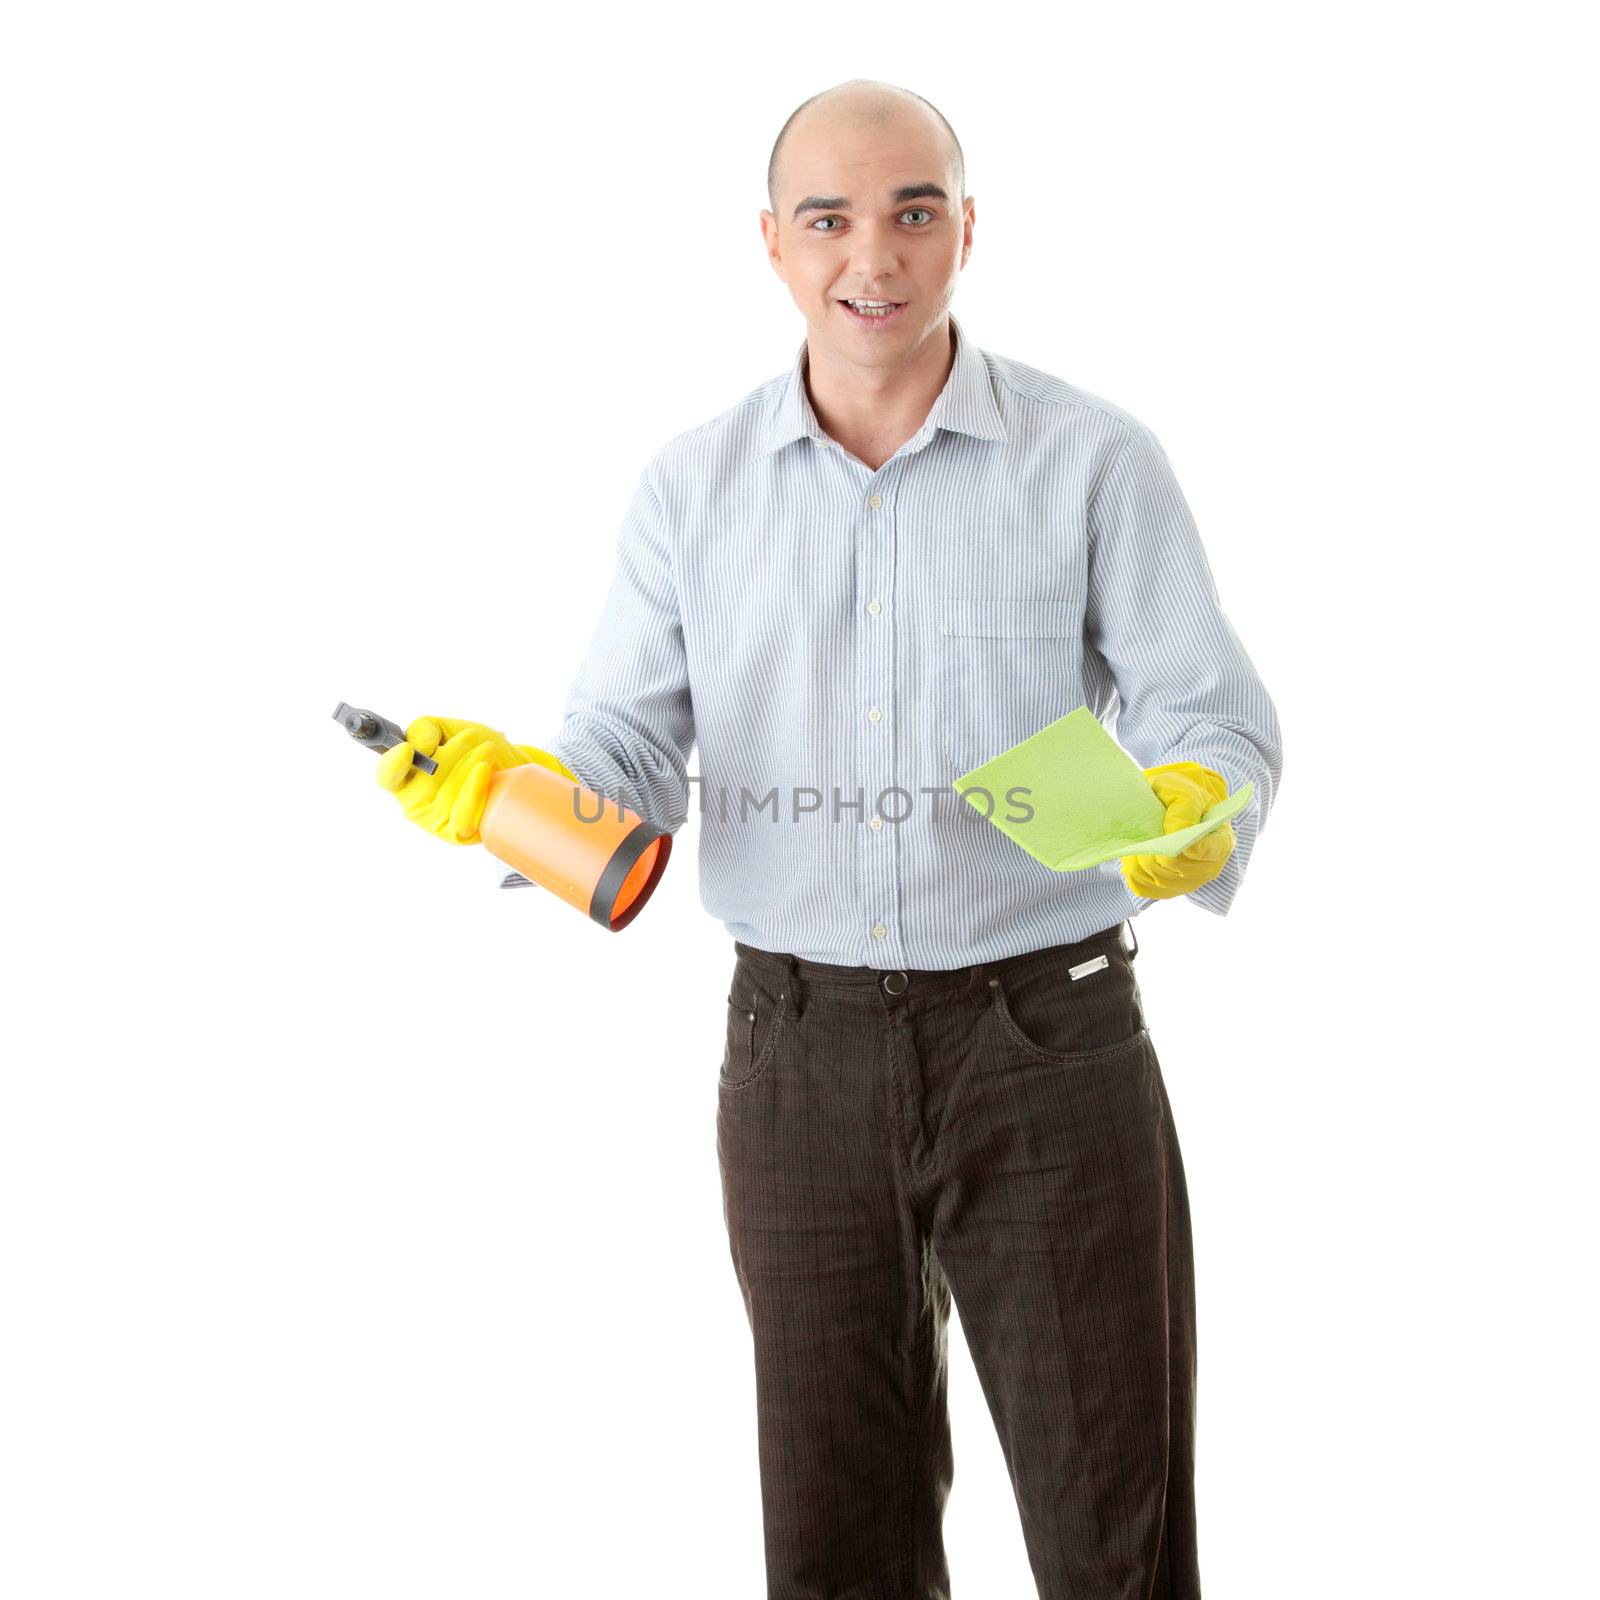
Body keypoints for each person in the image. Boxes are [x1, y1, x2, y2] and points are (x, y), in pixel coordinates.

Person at [377, 77, 1281, 1600]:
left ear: (969, 231)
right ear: (774, 245)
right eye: (832, 218)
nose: (878, 251)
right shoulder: (691, 488)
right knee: (834, 1544)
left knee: (1115, 1532)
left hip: (1048, 1045)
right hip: (796, 1060)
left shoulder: (1093, 460)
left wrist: (1201, 802)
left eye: (916, 210)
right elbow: (625, 755)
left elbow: (1212, 718)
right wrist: (515, 792)